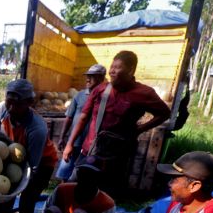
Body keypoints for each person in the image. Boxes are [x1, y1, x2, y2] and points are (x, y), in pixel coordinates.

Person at [62, 51, 171, 194]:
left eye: (117, 67)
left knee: (106, 193)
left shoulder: (144, 93)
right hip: (90, 151)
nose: (112, 71)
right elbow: (83, 118)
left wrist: (141, 129)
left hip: (117, 156)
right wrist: (69, 144)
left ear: (131, 70)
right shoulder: (100, 90)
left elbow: (164, 113)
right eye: (111, 66)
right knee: (78, 188)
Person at [0, 78, 56, 213]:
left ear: (29, 103)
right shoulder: (2, 110)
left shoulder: (37, 129)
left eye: (16, 104)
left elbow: (30, 168)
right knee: (1, 195)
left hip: (40, 164)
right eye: (8, 101)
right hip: (12, 157)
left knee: (27, 201)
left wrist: (14, 186)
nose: (11, 108)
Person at [56, 64, 106, 182]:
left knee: (83, 174)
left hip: (92, 145)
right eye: (87, 76)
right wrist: (62, 138)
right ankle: (63, 192)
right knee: (66, 171)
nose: (88, 79)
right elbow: (69, 117)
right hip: (75, 142)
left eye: (92, 76)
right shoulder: (79, 95)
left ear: (101, 78)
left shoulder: (105, 97)